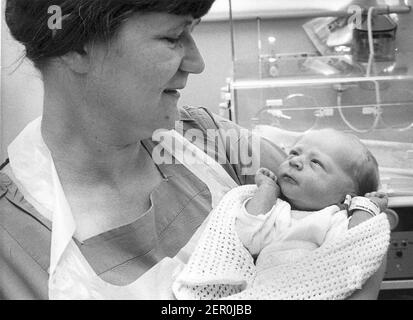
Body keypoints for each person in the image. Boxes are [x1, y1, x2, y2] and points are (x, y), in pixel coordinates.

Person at [0, 0, 386, 299]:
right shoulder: (12, 243)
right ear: (77, 47)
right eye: (173, 37)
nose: (197, 63)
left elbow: (357, 209)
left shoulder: (216, 143)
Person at [237, 129, 388, 289]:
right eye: (294, 153)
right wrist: (266, 189)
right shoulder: (277, 209)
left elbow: (356, 251)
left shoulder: (335, 220)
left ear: (347, 196)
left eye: (315, 162)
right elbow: (246, 237)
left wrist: (365, 210)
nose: (295, 161)